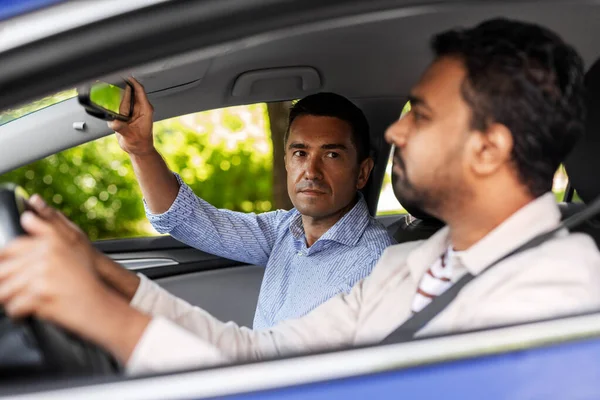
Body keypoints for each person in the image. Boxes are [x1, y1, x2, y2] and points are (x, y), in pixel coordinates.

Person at [1, 18, 599, 375]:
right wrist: (101, 277)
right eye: (298, 152)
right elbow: (258, 354)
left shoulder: (563, 292)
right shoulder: (409, 264)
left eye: (421, 116)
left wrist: (102, 317)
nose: (397, 131)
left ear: (489, 149)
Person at [109, 89, 394, 329]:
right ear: (286, 161)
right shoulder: (286, 230)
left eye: (331, 154)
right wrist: (141, 150)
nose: (311, 171)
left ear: (362, 172)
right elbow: (188, 219)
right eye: (300, 153)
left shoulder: (375, 263)